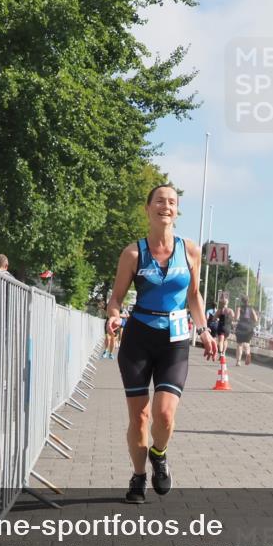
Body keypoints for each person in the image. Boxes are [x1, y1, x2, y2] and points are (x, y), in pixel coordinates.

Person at [107, 184, 217, 504]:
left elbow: (194, 296)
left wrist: (205, 330)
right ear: (148, 208)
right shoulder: (132, 253)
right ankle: (139, 477)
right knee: (140, 417)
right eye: (159, 201)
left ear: (177, 211)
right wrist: (114, 316)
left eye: (172, 202)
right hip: (138, 338)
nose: (165, 206)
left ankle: (160, 453)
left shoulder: (191, 250)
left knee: (165, 414)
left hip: (176, 338)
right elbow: (115, 298)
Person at [234, 296, 258, 365]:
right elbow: (256, 319)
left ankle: (238, 361)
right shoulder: (251, 308)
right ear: (248, 301)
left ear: (242, 301)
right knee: (247, 343)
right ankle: (247, 353)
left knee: (239, 344)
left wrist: (236, 319)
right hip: (249, 327)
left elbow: (236, 318)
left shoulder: (239, 307)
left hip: (241, 326)